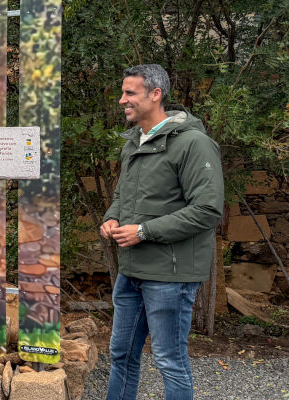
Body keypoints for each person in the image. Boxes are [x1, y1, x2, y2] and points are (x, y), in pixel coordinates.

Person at [101, 64, 224, 400]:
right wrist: (112, 217)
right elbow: (122, 196)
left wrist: (144, 231)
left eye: (130, 93)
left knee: (169, 360)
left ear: (155, 94)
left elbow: (208, 210)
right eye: (122, 93)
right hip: (131, 271)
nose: (122, 100)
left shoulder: (193, 144)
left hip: (171, 277)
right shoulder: (133, 143)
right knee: (121, 355)